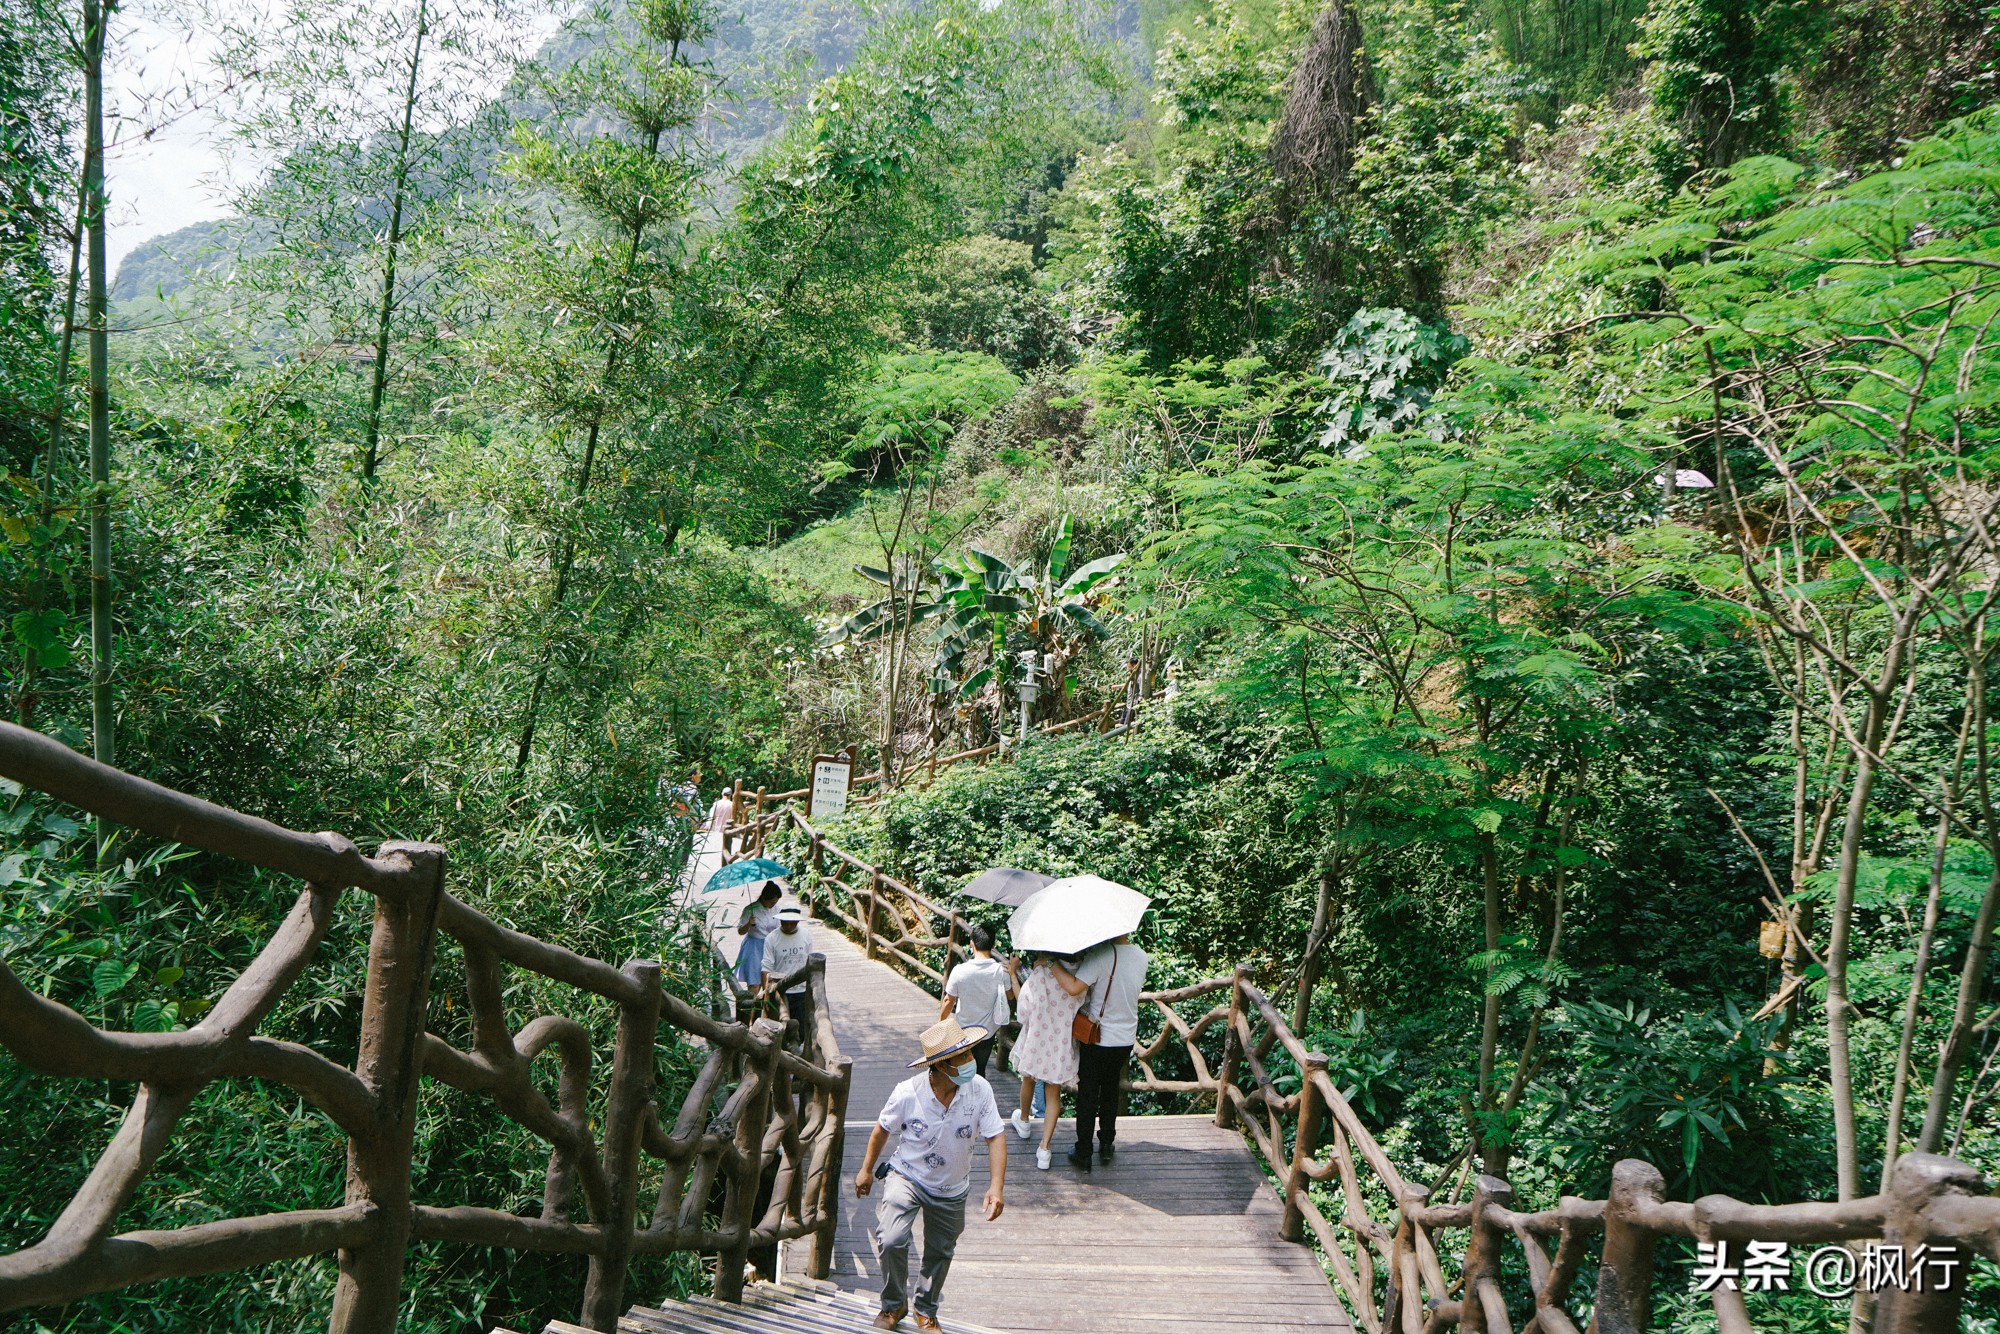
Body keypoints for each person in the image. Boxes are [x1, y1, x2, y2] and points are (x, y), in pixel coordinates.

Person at [856, 1017, 1007, 1331]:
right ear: (940, 1066)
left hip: (952, 1185)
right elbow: (882, 1130)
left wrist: (996, 1185)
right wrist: (866, 1170)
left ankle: (925, 1310)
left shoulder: (979, 1090)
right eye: (962, 1057)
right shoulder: (908, 1093)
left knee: (940, 1251)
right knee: (892, 1238)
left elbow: (995, 1137)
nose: (970, 1061)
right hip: (907, 1175)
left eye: (970, 1054)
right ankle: (894, 1305)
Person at [1069, 932, 1149, 1169]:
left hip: (1099, 1037)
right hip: (1125, 1038)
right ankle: (1106, 1145)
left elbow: (1075, 988)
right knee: (1111, 1089)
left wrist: (1051, 964)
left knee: (1088, 1093)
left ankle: (1084, 1151)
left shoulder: (1100, 956)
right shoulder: (1141, 956)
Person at [1006, 952, 1088, 1171]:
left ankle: (1023, 1121)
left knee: (1028, 1080)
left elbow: (1023, 1012)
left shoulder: (1041, 973)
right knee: (1053, 1094)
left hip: (1035, 1040)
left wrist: (1014, 974)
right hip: (1060, 1045)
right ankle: (1045, 1148)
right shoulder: (1080, 979)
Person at [938, 925, 1014, 1075]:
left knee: (960, 1070)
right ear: (993, 945)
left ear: (971, 943)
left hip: (963, 1030)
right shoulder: (1001, 971)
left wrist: (940, 1022)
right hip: (986, 1032)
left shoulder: (960, 970)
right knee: (979, 1070)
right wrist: (1012, 973)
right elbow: (1010, 996)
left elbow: (948, 1000)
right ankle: (979, 1096)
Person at [761, 903, 815, 1040]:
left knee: (801, 1031)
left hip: (801, 991)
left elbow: (810, 961)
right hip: (780, 990)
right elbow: (766, 966)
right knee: (779, 1030)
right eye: (786, 923)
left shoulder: (806, 936)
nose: (789, 926)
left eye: (793, 923)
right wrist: (766, 993)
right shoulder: (772, 938)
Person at [731, 881, 782, 993]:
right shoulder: (750, 909)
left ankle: (767, 1008)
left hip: (770, 945)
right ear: (764, 898)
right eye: (772, 902)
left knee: (770, 981)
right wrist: (749, 923)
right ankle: (752, 1008)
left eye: (776, 902)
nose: (774, 904)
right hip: (753, 947)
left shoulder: (777, 909)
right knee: (754, 983)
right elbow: (740, 931)